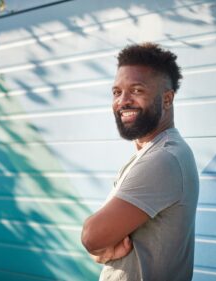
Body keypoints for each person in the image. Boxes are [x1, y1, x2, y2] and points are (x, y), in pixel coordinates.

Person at [81, 42, 199, 281]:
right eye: (117, 92)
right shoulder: (150, 153)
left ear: (167, 99)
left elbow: (92, 236)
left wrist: (100, 244)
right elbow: (99, 243)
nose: (122, 101)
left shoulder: (164, 158)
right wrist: (102, 246)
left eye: (136, 90)